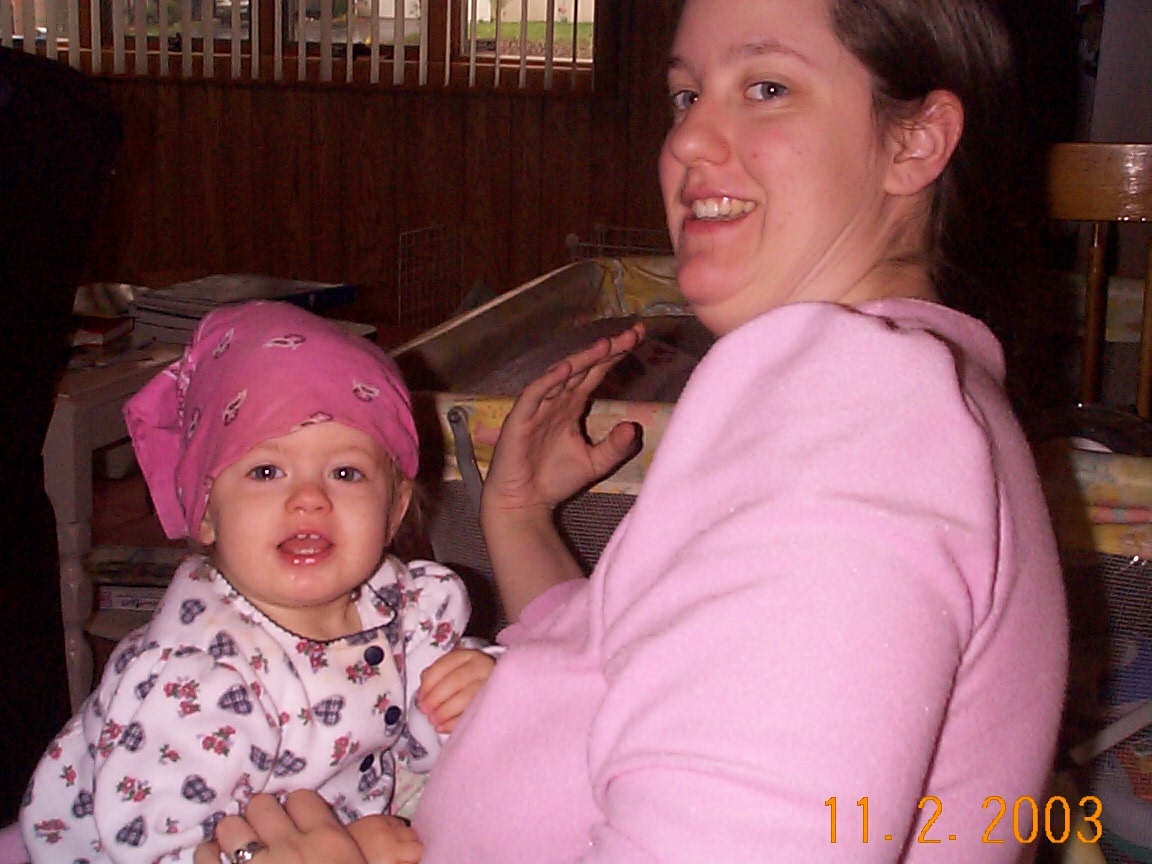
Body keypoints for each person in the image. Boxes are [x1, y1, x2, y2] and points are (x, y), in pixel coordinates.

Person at [197, 0, 1070, 861]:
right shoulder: (911, 390)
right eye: (686, 96)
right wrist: (520, 516)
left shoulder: (860, 409)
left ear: (914, 142)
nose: (687, 140)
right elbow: (638, 666)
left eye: (766, 87)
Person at [18, 301, 495, 864]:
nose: (309, 498)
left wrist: (468, 691)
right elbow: (156, 849)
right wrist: (351, 850)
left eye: (345, 472)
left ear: (393, 511)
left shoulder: (400, 605)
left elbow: (425, 722)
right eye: (266, 471)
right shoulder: (198, 683)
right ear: (205, 512)